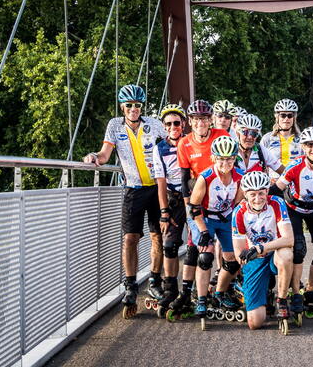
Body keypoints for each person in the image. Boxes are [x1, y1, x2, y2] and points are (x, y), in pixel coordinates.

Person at [83, 84, 166, 319]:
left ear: (142, 107)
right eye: (129, 105)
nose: (133, 109)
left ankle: (154, 280)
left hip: (157, 187)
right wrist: (94, 158)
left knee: (157, 236)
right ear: (122, 106)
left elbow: (171, 147)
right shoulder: (114, 126)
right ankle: (130, 286)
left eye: (137, 105)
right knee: (130, 238)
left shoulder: (154, 124)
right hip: (133, 189)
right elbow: (105, 154)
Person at [271, 126, 313, 317]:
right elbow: (275, 190)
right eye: (310, 145)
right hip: (293, 209)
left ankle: (310, 291)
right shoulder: (294, 166)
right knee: (299, 248)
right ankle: (293, 294)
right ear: (303, 147)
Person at [169, 100, 230, 317]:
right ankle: (191, 294)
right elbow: (185, 180)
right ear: (190, 122)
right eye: (196, 119)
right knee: (199, 250)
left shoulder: (222, 134)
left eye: (204, 119)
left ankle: (223, 289)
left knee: (229, 251)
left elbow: (233, 164)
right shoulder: (184, 144)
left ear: (210, 120)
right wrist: (189, 209)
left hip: (221, 199)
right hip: (197, 199)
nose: (200, 123)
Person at [187, 136, 244, 321]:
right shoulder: (206, 178)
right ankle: (202, 299)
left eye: (229, 159)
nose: (225, 163)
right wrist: (203, 232)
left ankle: (220, 292)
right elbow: (194, 208)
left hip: (226, 218)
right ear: (213, 158)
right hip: (204, 218)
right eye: (221, 158)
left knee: (234, 259)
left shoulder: (240, 178)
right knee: (206, 256)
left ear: (235, 158)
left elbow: (237, 205)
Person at [233, 171, 295, 331]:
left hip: (274, 253)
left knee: (287, 254)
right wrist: (253, 253)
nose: (258, 198)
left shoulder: (277, 203)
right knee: (255, 323)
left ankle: (282, 300)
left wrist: (261, 247)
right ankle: (262, 293)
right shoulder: (239, 212)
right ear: (245, 194)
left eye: (261, 193)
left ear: (267, 191)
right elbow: (239, 254)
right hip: (255, 260)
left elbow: (289, 239)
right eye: (252, 194)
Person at [151, 104, 187, 315]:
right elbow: (161, 183)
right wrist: (164, 212)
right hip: (173, 198)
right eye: (168, 124)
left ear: (183, 124)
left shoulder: (190, 143)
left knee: (198, 246)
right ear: (164, 127)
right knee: (169, 245)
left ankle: (194, 290)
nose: (173, 127)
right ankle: (170, 289)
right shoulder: (160, 149)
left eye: (176, 123)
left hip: (192, 196)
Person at [261, 99, 302, 179]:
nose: (286, 119)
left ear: (294, 118)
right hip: (274, 183)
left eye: (290, 116)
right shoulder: (267, 138)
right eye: (283, 115)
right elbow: (261, 163)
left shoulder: (301, 139)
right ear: (277, 117)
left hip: (295, 182)